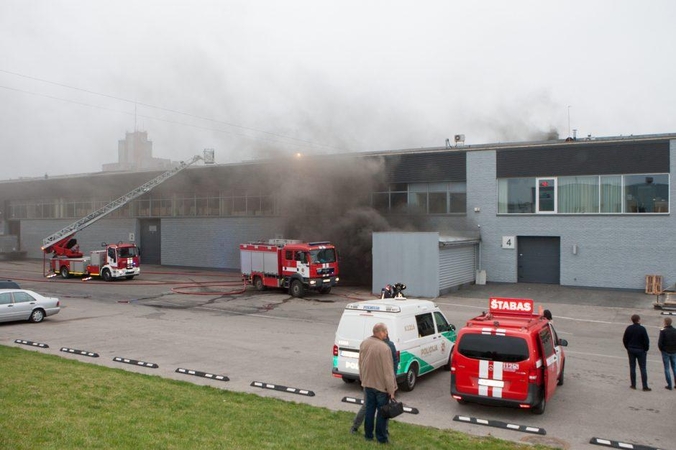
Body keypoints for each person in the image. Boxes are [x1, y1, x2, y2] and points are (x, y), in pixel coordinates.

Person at [351, 331, 399, 434]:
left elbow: (393, 365)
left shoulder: (388, 346)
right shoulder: (376, 344)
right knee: (379, 408)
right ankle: (377, 432)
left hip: (377, 383)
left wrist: (391, 382)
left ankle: (379, 431)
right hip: (375, 383)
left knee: (378, 408)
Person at [622, 314, 651, 391]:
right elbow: (646, 341)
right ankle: (645, 386)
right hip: (641, 350)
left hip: (631, 349)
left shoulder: (629, 328)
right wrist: (646, 349)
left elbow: (625, 339)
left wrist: (628, 347)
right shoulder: (642, 329)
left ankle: (633, 384)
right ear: (638, 320)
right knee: (643, 368)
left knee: (632, 367)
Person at [657, 317, 676, 390]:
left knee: (667, 368)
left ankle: (669, 384)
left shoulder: (663, 331)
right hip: (674, 351)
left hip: (666, 351)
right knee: (674, 367)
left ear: (665, 323)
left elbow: (660, 343)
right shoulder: (675, 330)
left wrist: (662, 350)